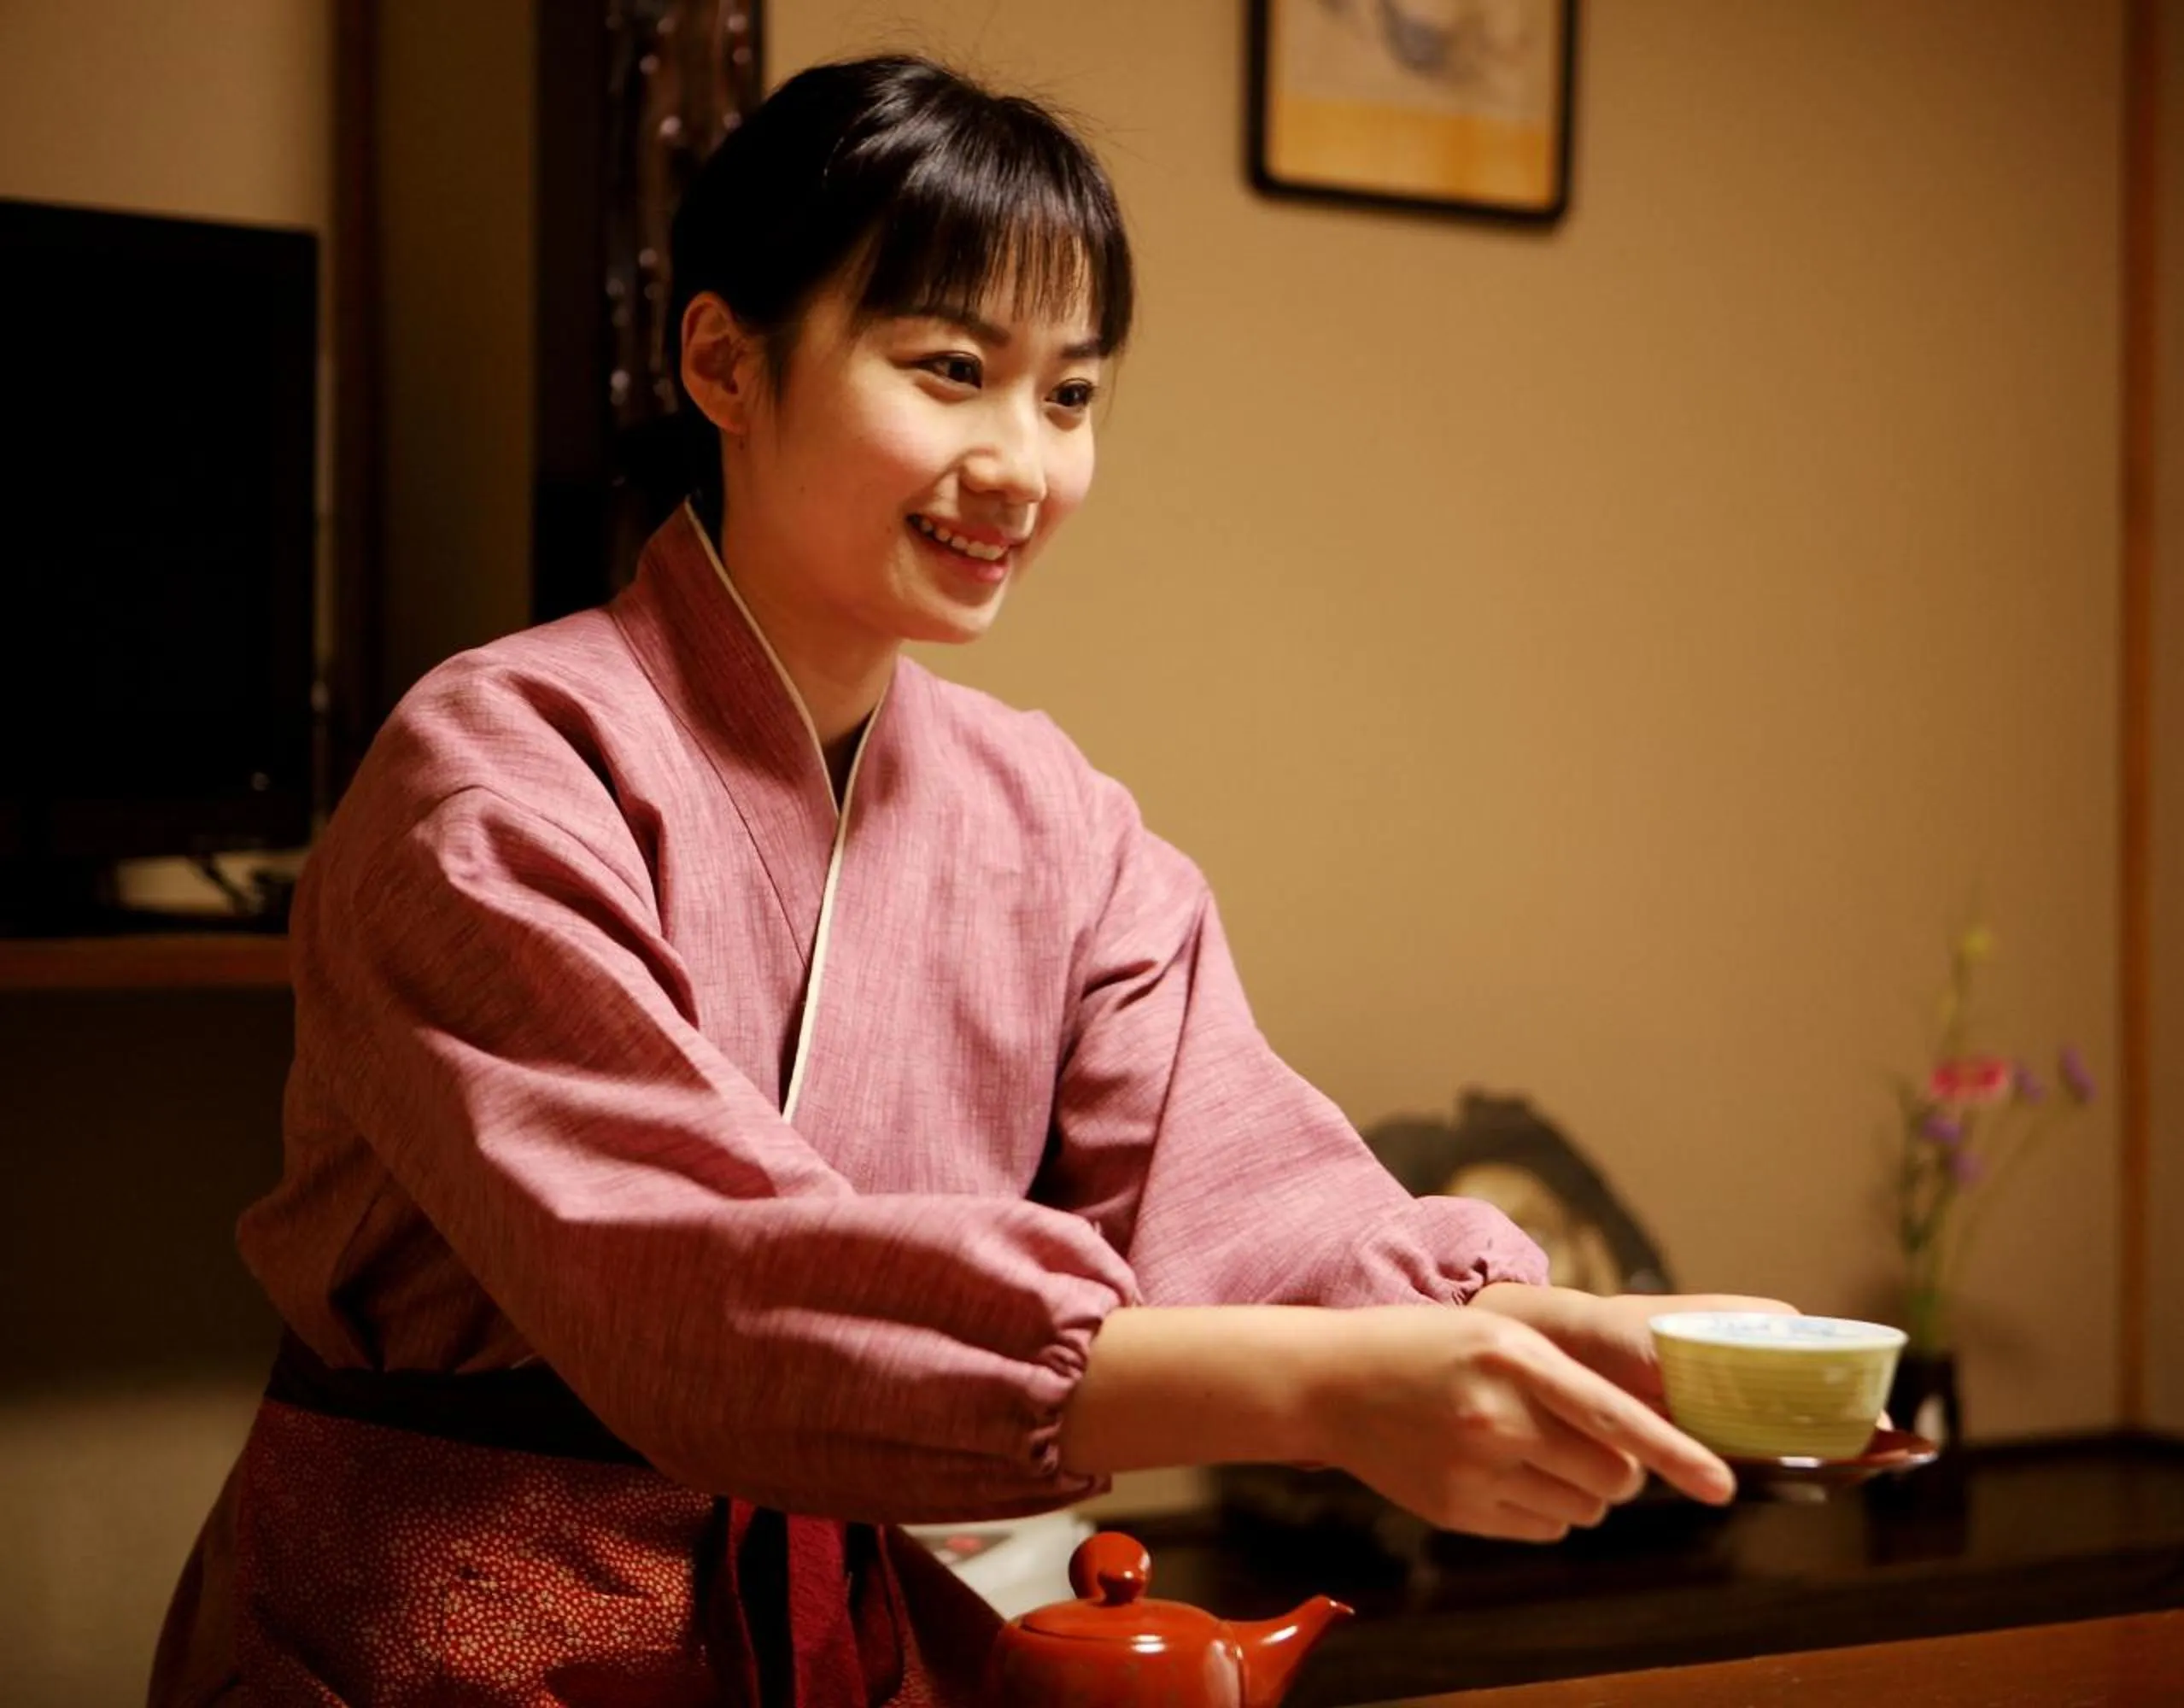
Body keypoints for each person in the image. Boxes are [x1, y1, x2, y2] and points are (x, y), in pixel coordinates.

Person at [149, 55, 1785, 1707]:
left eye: (1070, 396)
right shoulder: (498, 768)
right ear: (723, 361)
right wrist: (1333, 1390)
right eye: (950, 369)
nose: (1022, 464)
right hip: (458, 1633)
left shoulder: (1048, 819)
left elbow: (1252, 1186)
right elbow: (700, 1286)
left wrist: (1539, 1330)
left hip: (833, 1631)